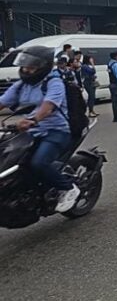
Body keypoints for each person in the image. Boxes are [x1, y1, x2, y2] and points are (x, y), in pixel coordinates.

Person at [0, 46, 80, 212]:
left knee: (38, 163)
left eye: (31, 66)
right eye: (24, 66)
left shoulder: (54, 83)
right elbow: (2, 102)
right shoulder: (22, 85)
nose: (26, 70)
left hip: (56, 131)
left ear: (43, 67)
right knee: (9, 160)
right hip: (30, 133)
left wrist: (32, 120)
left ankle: (68, 188)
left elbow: (48, 107)